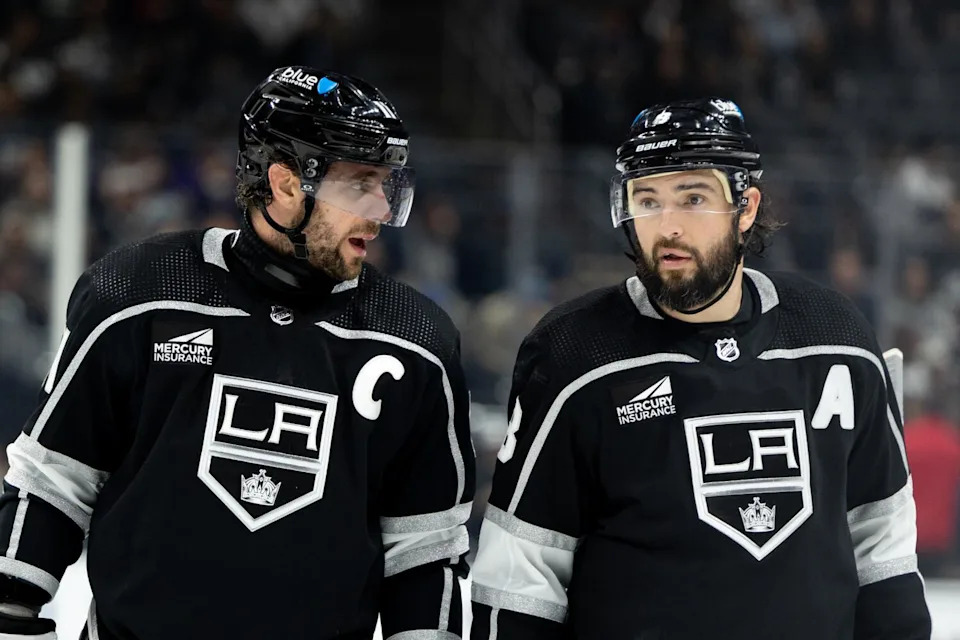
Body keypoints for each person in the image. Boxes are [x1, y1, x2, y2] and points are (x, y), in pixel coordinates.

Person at [0, 66, 475, 639]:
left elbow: (425, 551)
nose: (380, 210)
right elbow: (53, 481)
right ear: (286, 183)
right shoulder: (137, 293)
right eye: (360, 183)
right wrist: (11, 614)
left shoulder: (416, 340)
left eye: (386, 184)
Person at [470, 97, 930, 639]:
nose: (667, 226)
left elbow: (882, 541)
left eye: (692, 197)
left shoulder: (835, 338)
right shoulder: (574, 355)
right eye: (648, 200)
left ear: (747, 207)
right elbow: (520, 575)